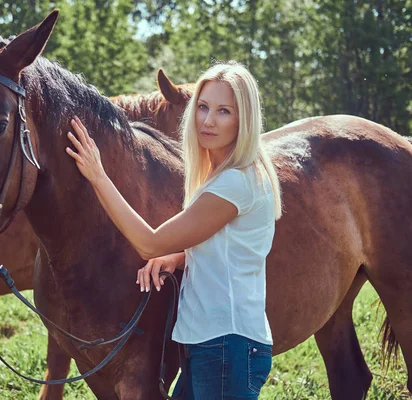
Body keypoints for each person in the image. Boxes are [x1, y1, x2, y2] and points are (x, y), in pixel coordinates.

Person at [65, 62, 283, 399]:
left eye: (224, 111)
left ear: (245, 120)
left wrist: (98, 176)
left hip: (226, 346)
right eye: (203, 106)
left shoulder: (234, 182)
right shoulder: (232, 175)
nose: (208, 120)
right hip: (214, 344)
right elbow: (230, 244)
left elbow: (148, 243)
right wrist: (179, 258)